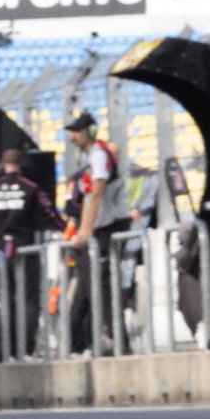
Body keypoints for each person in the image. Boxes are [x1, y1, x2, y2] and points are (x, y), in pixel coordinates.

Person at [0, 148, 63, 358]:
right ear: (23, 165)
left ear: (2, 166)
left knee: (6, 298)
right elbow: (51, 212)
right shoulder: (31, 187)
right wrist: (65, 229)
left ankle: (8, 348)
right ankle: (25, 347)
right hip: (25, 246)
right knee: (30, 298)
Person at [63, 112, 128, 355]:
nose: (73, 136)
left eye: (77, 130)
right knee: (92, 287)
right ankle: (83, 343)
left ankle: (116, 341)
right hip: (103, 227)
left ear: (89, 131)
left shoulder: (99, 155)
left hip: (107, 228)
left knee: (101, 287)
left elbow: (96, 194)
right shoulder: (95, 155)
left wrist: (85, 231)